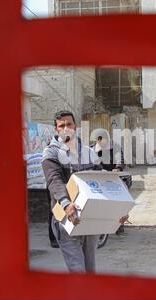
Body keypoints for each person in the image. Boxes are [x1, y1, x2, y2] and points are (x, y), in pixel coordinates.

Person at [42, 110, 128, 273]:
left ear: (76, 126)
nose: (66, 128)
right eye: (61, 126)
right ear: (56, 130)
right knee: (77, 270)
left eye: (69, 124)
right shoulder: (51, 153)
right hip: (66, 219)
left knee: (90, 269)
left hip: (90, 219)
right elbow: (54, 181)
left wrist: (118, 211)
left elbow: (101, 184)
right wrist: (67, 204)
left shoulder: (89, 152)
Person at [91, 129, 127, 234]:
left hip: (114, 178)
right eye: (99, 140)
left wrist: (118, 168)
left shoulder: (115, 147)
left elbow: (120, 159)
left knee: (119, 201)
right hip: (99, 179)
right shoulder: (92, 149)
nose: (102, 142)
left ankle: (119, 224)